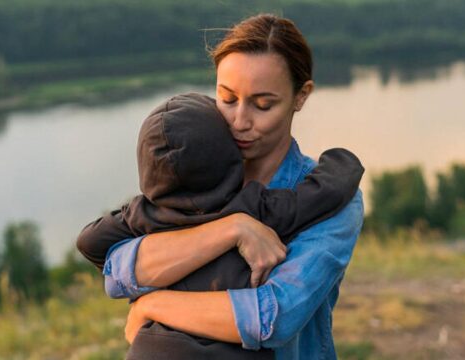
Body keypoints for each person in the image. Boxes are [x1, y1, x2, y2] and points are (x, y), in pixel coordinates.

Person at [100, 14, 363, 360]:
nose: (240, 122)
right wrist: (232, 229)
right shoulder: (193, 172)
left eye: (263, 105)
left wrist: (153, 305)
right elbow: (118, 271)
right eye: (227, 99)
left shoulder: (333, 199)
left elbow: (273, 317)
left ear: (301, 96)